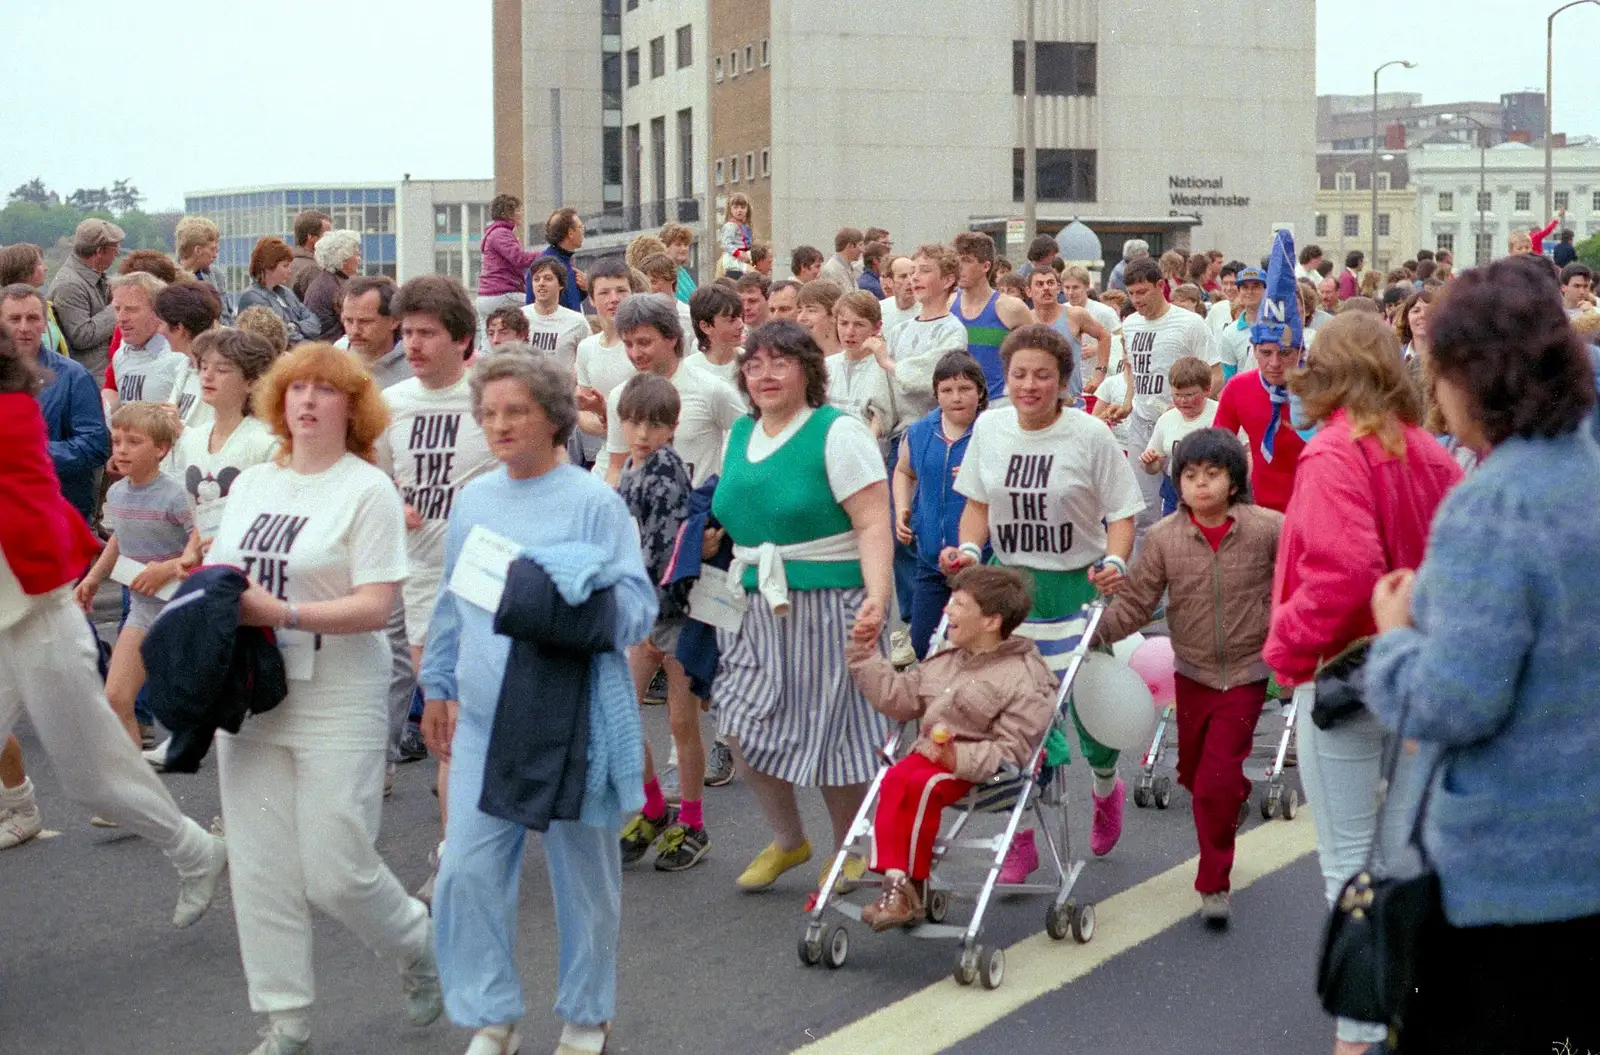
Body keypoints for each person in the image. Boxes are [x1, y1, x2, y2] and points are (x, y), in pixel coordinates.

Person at [1366, 256, 1600, 1052]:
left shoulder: (1492, 506)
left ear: (1476, 377)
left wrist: (1395, 637)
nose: (1433, 390)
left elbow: (1453, 701)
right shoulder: (1587, 474)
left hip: (1507, 871)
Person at [207, 343, 441, 1055]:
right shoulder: (252, 482)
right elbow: (221, 570)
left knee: (337, 865)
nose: (308, 401)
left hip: (340, 689)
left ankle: (415, 944)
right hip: (252, 694)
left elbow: (376, 605)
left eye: (326, 390)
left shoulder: (365, 488)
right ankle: (285, 1020)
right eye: (297, 388)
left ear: (353, 406)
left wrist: (281, 613)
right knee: (259, 864)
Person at [420, 353, 655, 1055]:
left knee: (583, 877)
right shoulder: (474, 499)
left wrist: (560, 605)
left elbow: (637, 607)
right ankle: (493, 1013)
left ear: (553, 416)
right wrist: (438, 682)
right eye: (489, 413)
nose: (499, 425)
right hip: (487, 718)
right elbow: (453, 600)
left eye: (515, 411)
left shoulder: (593, 502)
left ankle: (588, 1013)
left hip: (569, 714)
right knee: (464, 868)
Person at [1262, 310, 1463, 1055]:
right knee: (1405, 863)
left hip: (1344, 673)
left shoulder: (1333, 451)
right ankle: (1399, 1017)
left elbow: (1344, 572)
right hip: (1418, 672)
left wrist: (1284, 645)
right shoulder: (1429, 453)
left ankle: (1358, 1036)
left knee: (1349, 871)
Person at [0, 325, 228, 904]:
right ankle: (21, 805)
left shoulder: (13, 416)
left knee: (93, 776)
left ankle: (192, 849)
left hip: (36, 618)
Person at [944, 324, 1144, 873]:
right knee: (1013, 712)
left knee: (1086, 711)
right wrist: (967, 549)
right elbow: (978, 505)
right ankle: (1021, 836)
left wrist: (1116, 561)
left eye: (1042, 376)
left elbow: (1122, 513)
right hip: (1010, 588)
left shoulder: (1090, 435)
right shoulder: (990, 427)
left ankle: (1106, 787)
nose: (1029, 386)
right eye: (1019, 375)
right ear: (1004, 378)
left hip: (1075, 584)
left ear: (1062, 382)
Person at [712, 320, 894, 892]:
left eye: (779, 363)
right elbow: (734, 509)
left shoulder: (836, 432)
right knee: (741, 727)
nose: (764, 376)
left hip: (829, 603)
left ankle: (850, 849)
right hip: (751, 602)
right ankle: (790, 841)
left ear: (807, 371)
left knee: (836, 737)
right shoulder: (739, 433)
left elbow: (872, 522)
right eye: (754, 364)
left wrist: (878, 600)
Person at [1095, 428, 1281, 925]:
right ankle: (1233, 797)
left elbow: (1294, 586)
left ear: (1234, 481)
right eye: (1191, 476)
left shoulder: (1268, 529)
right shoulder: (1163, 538)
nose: (1201, 485)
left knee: (1214, 779)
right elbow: (1135, 603)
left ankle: (1213, 882)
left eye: (1213, 475)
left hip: (1246, 672)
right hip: (1192, 670)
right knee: (1197, 774)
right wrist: (1096, 631)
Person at [848, 564, 1056, 928]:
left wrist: (957, 756)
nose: (947, 612)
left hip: (982, 772)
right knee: (896, 777)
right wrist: (864, 656)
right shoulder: (945, 660)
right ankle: (902, 885)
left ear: (991, 621)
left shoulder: (1024, 676)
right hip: (931, 758)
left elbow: (1013, 749)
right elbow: (900, 697)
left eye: (959, 605)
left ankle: (904, 888)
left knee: (921, 783)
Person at [377, 276, 497, 893]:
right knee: (447, 717)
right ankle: (458, 851)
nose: (413, 344)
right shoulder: (391, 405)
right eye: (406, 332)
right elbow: (372, 482)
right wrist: (393, 504)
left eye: (426, 332)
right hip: (425, 581)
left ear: (461, 338)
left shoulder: (492, 397)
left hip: (493, 581)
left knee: (485, 716)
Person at [611, 373, 711, 873]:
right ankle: (654, 807)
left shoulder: (665, 471)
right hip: (640, 609)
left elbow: (668, 553)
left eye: (654, 425)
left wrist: (653, 614)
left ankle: (691, 820)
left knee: (679, 720)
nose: (643, 433)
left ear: (673, 427)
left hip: (673, 612)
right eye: (633, 422)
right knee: (621, 714)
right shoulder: (631, 467)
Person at [73, 403, 192, 749]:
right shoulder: (118, 492)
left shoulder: (177, 496)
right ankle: (135, 779)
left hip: (181, 609)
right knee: (116, 696)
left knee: (196, 703)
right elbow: (119, 539)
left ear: (161, 449)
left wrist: (167, 569)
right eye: (117, 441)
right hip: (142, 610)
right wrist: (93, 578)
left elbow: (205, 546)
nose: (121, 450)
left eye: (134, 442)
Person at [894, 351, 987, 659]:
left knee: (974, 646)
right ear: (936, 395)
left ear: (980, 391)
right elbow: (904, 470)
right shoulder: (921, 431)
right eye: (947, 390)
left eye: (965, 389)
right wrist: (902, 507)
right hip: (931, 558)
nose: (956, 398)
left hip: (981, 562)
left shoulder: (992, 433)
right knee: (923, 644)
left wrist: (984, 476)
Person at [1119, 257, 1217, 538]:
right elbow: (1133, 369)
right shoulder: (1130, 324)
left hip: (1182, 422)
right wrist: (1128, 403)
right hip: (1142, 423)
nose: (1136, 300)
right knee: (1142, 511)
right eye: (1131, 293)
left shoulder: (1189, 323)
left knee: (1188, 505)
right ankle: (1143, 577)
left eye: (1142, 292)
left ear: (1160, 286)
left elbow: (1214, 373)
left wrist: (1193, 410)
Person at [602, 294, 743, 489]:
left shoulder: (711, 390)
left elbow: (752, 439)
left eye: (644, 342)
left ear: (671, 338)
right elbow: (617, 466)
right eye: (628, 344)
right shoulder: (619, 396)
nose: (635, 353)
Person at [0, 283, 108, 523]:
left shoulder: (73, 376)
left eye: (32, 318)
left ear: (45, 323)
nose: (24, 328)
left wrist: (33, 455)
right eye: (14, 319)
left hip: (58, 513)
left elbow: (96, 445)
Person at [884, 244, 969, 420]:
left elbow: (931, 377)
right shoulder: (899, 330)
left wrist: (885, 361)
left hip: (932, 429)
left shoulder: (953, 330)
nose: (914, 278)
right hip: (895, 433)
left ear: (947, 281)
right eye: (912, 271)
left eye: (924, 271)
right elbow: (885, 389)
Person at [951, 231, 1035, 400]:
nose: (959, 267)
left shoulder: (1012, 308)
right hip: (956, 404)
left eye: (967, 260)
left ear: (986, 266)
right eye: (957, 261)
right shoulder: (947, 305)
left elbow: (1037, 355)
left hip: (997, 403)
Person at [574, 260, 638, 470]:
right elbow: (582, 410)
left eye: (621, 291)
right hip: (606, 458)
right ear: (591, 299)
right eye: (604, 293)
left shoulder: (644, 345)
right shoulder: (586, 348)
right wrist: (603, 423)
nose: (614, 299)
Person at [1140, 356, 1218, 516]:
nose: (1183, 401)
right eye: (1177, 395)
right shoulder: (1167, 419)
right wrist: (1150, 462)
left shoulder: (1220, 414)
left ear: (1207, 390)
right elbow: (1154, 466)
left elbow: (1246, 453)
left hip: (1213, 491)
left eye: (1190, 395)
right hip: (1175, 493)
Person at [48, 217, 124, 375]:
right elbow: (82, 336)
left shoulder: (89, 276)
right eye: (114, 249)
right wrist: (118, 306)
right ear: (99, 252)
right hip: (89, 377)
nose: (117, 254)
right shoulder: (70, 285)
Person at [1029, 266, 1110, 404]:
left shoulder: (1074, 315)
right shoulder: (1024, 321)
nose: (1046, 288)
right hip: (1037, 402)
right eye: (1039, 284)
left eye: (1050, 283)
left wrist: (1099, 374)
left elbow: (1104, 336)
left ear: (1058, 288)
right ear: (1029, 291)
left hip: (1072, 402)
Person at [106, 273, 186, 412]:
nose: (121, 318)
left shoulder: (179, 357)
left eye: (131, 309)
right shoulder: (120, 356)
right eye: (117, 309)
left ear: (158, 312)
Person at [152, 279, 224, 431]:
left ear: (179, 328)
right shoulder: (185, 368)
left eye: (161, 324)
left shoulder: (218, 377)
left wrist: (180, 430)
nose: (159, 331)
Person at [827, 290, 898, 441]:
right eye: (844, 323)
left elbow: (880, 419)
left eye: (859, 324)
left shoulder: (884, 367)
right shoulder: (827, 366)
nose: (849, 332)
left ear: (876, 327)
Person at [237, 237, 321, 346]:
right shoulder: (251, 297)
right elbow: (276, 334)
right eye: (285, 266)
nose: (289, 271)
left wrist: (293, 326)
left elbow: (315, 323)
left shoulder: (286, 293)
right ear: (268, 266)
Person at [477, 194, 542, 320]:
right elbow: (519, 258)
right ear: (508, 213)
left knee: (489, 337)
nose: (521, 214)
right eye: (518, 210)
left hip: (487, 296)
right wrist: (545, 254)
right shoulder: (501, 233)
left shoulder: (494, 233)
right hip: (502, 293)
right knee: (541, 305)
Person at [521, 256, 591, 371]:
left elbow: (588, 362)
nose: (541, 283)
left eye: (548, 278)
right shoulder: (520, 317)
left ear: (561, 284)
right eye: (536, 279)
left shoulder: (577, 322)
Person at [340, 275, 409, 387]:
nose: (355, 330)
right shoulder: (334, 362)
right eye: (348, 320)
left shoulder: (416, 370)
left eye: (365, 321)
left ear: (394, 321)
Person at [303, 228, 361, 344]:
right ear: (343, 259)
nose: (359, 259)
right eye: (356, 255)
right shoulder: (334, 287)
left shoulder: (327, 281)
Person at [175, 215, 234, 324]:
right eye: (212, 249)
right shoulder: (170, 280)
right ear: (198, 250)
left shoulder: (217, 276)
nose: (216, 255)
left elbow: (227, 317)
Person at [686, 282, 744, 387]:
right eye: (731, 320)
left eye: (740, 317)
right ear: (706, 326)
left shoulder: (749, 363)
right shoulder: (689, 370)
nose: (741, 325)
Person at [1216, 266, 1266, 382]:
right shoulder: (1230, 332)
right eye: (1245, 287)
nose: (1250, 292)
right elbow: (1229, 376)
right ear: (1239, 291)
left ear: (1266, 290)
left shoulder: (1278, 326)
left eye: (1256, 287)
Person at [539, 207, 587, 312]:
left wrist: (584, 289)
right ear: (570, 233)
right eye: (580, 227)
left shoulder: (564, 261)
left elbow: (569, 301)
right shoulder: (548, 265)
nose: (583, 231)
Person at [287, 210, 332, 300]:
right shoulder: (313, 270)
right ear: (311, 237)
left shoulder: (285, 264)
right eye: (328, 235)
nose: (332, 240)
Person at [878, 255, 917, 334]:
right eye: (903, 276)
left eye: (912, 274)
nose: (910, 281)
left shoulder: (927, 311)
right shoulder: (880, 309)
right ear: (890, 282)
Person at [719, 192, 754, 274]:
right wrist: (738, 254)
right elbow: (726, 243)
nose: (739, 210)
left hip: (743, 257)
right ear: (730, 210)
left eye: (742, 207)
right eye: (735, 207)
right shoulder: (730, 226)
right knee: (753, 274)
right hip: (734, 259)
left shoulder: (744, 226)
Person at [819, 227, 863, 292]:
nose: (862, 250)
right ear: (850, 246)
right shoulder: (830, 271)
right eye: (860, 245)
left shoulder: (849, 267)